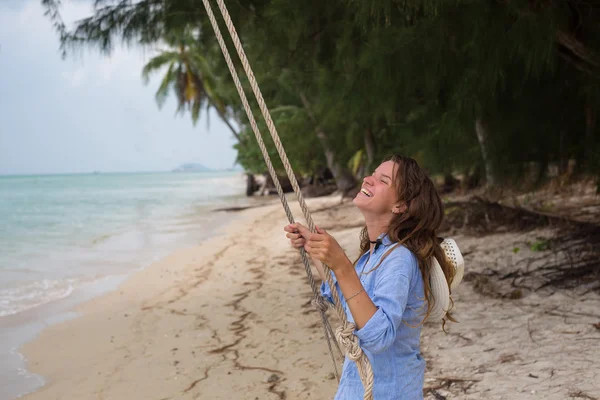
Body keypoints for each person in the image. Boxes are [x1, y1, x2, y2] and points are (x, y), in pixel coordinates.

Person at [284, 155, 456, 399]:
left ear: (400, 205)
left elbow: (379, 336)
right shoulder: (374, 255)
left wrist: (342, 265)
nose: (368, 179)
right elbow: (349, 303)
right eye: (372, 174)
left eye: (382, 180)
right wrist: (316, 249)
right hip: (364, 387)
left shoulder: (399, 259)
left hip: (387, 391)